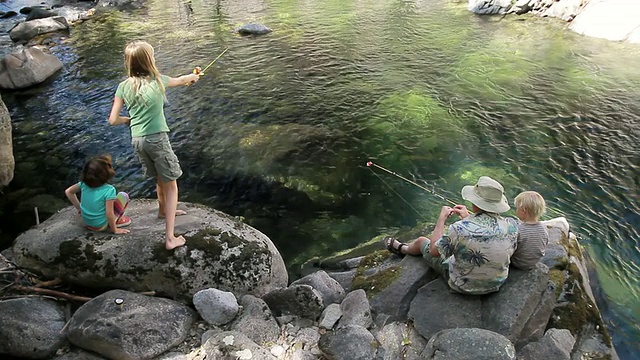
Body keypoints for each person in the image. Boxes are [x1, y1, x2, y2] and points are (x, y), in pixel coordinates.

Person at [108, 40, 201, 250]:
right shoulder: (158, 81)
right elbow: (183, 79)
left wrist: (128, 120)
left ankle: (162, 210)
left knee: (160, 178)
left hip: (138, 141)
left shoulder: (123, 87)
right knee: (172, 184)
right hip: (157, 139)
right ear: (149, 61)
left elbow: (113, 120)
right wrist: (194, 77)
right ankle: (170, 238)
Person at [384, 176, 519, 295]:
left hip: (462, 285)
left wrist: (441, 219)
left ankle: (402, 249)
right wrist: (469, 217)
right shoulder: (512, 226)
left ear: (475, 203)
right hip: (496, 284)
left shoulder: (459, 229)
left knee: (421, 241)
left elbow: (434, 251)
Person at [65, 155, 131, 234]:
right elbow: (109, 214)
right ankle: (117, 221)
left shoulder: (83, 184)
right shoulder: (109, 190)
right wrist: (115, 230)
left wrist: (79, 208)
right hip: (100, 226)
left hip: (87, 223)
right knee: (123, 196)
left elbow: (68, 192)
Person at [510, 191, 549, 270]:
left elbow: (511, 246)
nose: (516, 210)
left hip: (516, 262)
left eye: (517, 208)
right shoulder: (544, 228)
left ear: (524, 210)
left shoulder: (519, 229)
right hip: (533, 262)